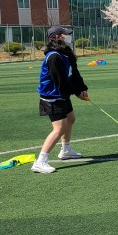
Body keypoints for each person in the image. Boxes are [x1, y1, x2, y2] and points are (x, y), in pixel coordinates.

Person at [32, 26, 88, 174]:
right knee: (60, 128)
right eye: (65, 34)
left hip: (61, 94)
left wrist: (82, 88)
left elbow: (74, 73)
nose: (68, 36)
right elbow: (60, 82)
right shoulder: (53, 57)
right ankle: (40, 161)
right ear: (57, 37)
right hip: (52, 96)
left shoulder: (66, 53)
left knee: (70, 119)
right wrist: (77, 93)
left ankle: (66, 150)